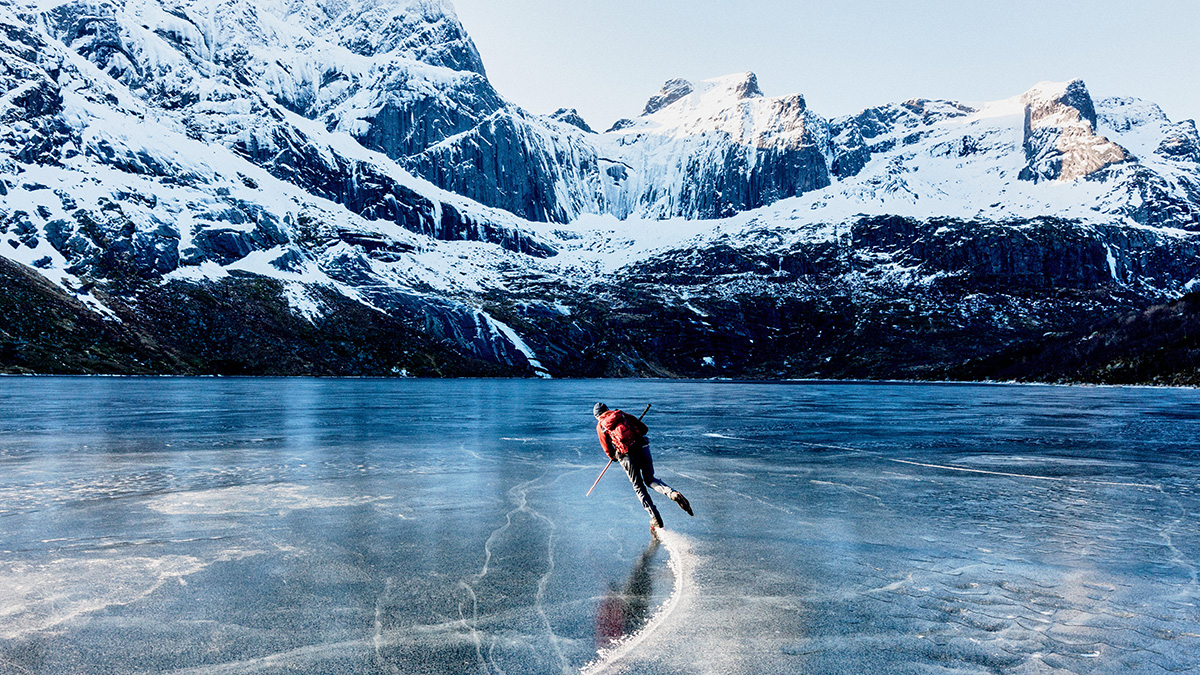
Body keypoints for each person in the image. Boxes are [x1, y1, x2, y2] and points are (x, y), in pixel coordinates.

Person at [593, 402, 693, 532]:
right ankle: (672, 493)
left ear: (597, 416)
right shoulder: (621, 414)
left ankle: (655, 518)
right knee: (650, 479)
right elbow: (644, 429)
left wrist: (614, 457)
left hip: (627, 456)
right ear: (607, 410)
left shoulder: (601, 426)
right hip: (643, 448)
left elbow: (608, 450)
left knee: (639, 486)